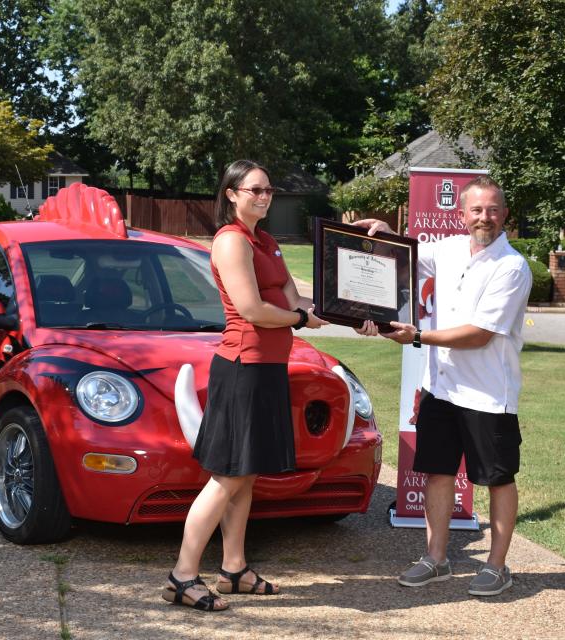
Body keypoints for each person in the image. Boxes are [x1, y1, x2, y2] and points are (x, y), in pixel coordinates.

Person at [163, 159, 327, 612]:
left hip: (269, 367)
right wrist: (298, 319)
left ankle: (233, 568)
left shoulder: (267, 242)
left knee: (246, 474)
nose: (264, 196)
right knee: (226, 476)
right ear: (232, 194)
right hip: (242, 368)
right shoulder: (232, 241)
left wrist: (349, 309)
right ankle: (181, 576)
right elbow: (253, 310)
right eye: (254, 190)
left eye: (268, 190)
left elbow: (299, 301)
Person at [354, 176, 531, 597]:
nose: (484, 217)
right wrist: (381, 235)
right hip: (442, 388)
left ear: (504, 214)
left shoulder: (512, 266)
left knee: (498, 478)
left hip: (488, 395)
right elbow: (404, 255)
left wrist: (416, 336)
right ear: (462, 213)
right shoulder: (449, 249)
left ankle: (497, 565)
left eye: (492, 210)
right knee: (438, 472)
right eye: (476, 210)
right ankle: (436, 559)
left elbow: (479, 334)